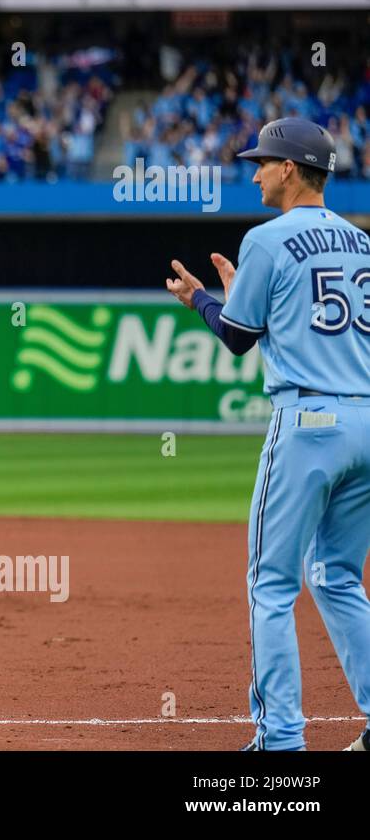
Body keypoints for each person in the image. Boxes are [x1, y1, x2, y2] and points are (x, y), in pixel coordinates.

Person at [165, 117, 370, 751]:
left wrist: (201, 299)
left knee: (272, 583)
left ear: (290, 169)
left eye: (262, 162)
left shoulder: (266, 239)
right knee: (338, 577)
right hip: (367, 419)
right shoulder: (362, 244)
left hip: (308, 423)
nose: (253, 172)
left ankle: (280, 741)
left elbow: (236, 337)